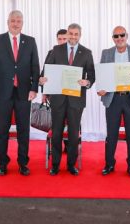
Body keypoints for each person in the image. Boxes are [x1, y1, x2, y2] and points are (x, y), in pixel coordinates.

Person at [0, 10, 40, 176]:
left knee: (24, 130)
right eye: (13, 20)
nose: (15, 23)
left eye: (18, 21)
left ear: (22, 23)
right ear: (7, 22)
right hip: (1, 93)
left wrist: (34, 88)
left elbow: (35, 67)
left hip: (24, 93)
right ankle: (3, 163)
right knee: (2, 129)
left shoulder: (30, 41)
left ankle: (23, 163)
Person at [39, 23, 95, 176]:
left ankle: (71, 164)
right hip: (57, 99)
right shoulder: (56, 50)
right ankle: (55, 165)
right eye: (71, 33)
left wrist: (87, 82)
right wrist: (42, 81)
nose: (73, 37)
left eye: (76, 34)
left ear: (80, 35)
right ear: (68, 33)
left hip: (76, 100)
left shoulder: (86, 53)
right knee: (56, 133)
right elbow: (45, 71)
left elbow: (92, 75)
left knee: (73, 134)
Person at [97, 26, 130, 177]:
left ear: (127, 36)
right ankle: (109, 164)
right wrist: (101, 88)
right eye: (116, 36)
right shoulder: (106, 53)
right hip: (112, 98)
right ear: (112, 38)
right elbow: (101, 75)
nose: (119, 38)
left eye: (122, 35)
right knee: (111, 133)